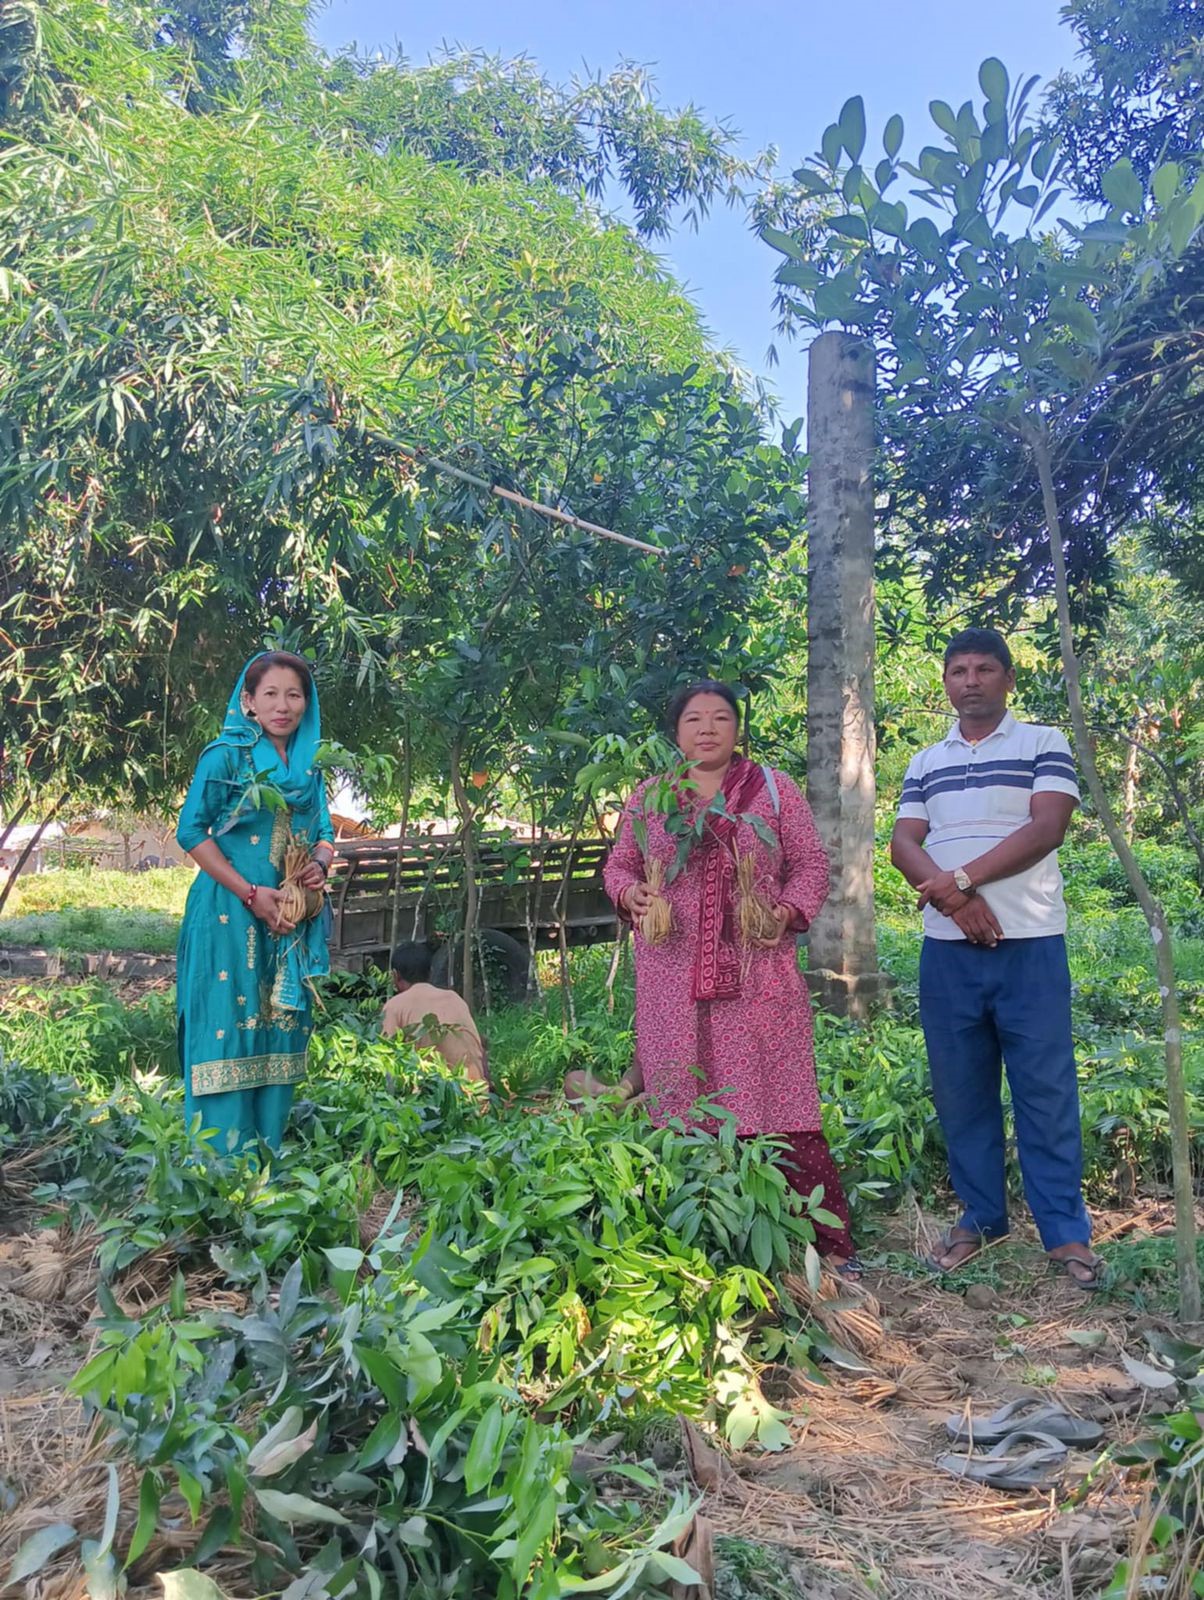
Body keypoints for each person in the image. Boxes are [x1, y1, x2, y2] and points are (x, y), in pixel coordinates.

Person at [593, 679, 860, 1276]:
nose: (707, 729)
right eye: (693, 719)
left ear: (738, 729)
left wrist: (787, 911)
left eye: (719, 718)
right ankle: (702, 1240)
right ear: (675, 731)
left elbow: (810, 863)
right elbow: (619, 864)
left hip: (757, 975)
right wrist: (630, 894)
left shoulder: (772, 789)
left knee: (774, 1095)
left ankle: (819, 1245)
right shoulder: (651, 797)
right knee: (681, 1095)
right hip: (671, 975)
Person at [890, 627, 1102, 1289]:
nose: (971, 680)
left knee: (1045, 1090)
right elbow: (903, 842)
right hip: (948, 956)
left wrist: (960, 882)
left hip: (1031, 945)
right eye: (959, 670)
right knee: (962, 1093)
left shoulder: (1044, 743)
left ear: (1009, 679)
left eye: (985, 669)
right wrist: (957, 904)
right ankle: (981, 1218)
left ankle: (1065, 1233)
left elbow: (1047, 827)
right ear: (947, 682)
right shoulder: (926, 760)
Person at [176, 651, 333, 1151]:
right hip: (229, 917)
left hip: (287, 924)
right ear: (248, 701)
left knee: (278, 1033)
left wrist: (320, 865)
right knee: (226, 1029)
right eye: (270, 694)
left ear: (306, 704)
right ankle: (218, 1175)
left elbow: (326, 832)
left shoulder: (311, 766)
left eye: (294, 695)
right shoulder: (225, 757)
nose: (283, 706)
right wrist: (249, 893)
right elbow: (190, 832)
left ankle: (267, 1167)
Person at [382, 940, 488, 1084]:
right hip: (477, 1093)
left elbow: (387, 1059)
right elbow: (480, 1047)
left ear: (395, 975)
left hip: (435, 1098)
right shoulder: (454, 998)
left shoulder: (394, 1007)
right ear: (430, 972)